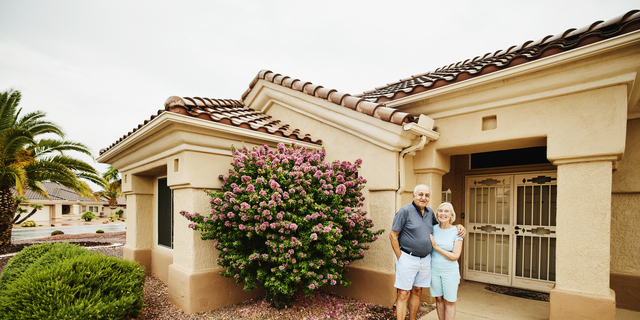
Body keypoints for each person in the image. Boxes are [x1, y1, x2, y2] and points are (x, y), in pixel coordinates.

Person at [390, 185, 465, 320]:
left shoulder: (430, 213)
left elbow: (443, 226)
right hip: (407, 257)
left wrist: (458, 226)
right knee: (403, 293)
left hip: (425, 260)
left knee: (417, 291)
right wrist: (400, 257)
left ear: (429, 198)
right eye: (420, 194)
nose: (423, 198)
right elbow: (392, 235)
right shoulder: (404, 211)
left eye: (426, 195)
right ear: (414, 196)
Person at [429, 202, 463, 320]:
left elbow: (455, 256)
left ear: (451, 215)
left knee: (449, 301)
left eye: (446, 211)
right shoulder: (432, 229)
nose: (443, 213)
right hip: (434, 270)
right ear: (437, 214)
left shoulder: (457, 231)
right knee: (438, 299)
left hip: (450, 272)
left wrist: (436, 247)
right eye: (440, 211)